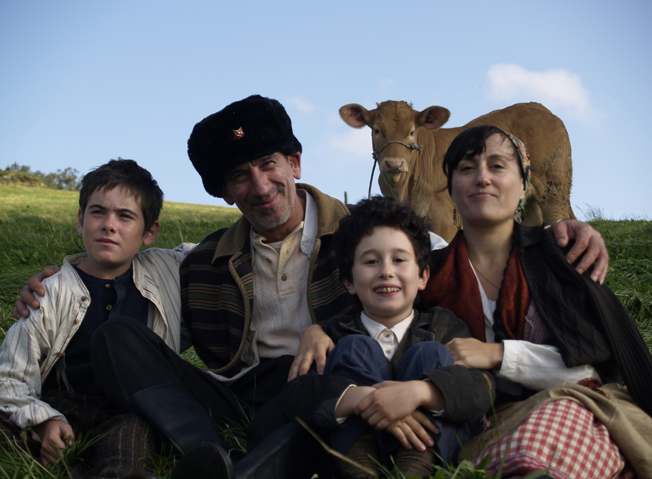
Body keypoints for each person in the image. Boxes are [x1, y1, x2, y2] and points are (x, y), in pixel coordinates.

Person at [11, 96, 612, 478]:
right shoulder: (201, 261)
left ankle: (237, 468)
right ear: (225, 192)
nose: (259, 186)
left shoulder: (365, 236)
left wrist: (560, 232)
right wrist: (64, 274)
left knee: (316, 404)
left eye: (268, 165)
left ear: (294, 164)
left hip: (330, 386)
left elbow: (446, 256)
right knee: (119, 339)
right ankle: (204, 447)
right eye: (239, 176)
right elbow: (125, 256)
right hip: (235, 393)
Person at [421, 125, 652, 478]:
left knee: (554, 429)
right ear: (450, 188)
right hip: (475, 432)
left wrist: (497, 355)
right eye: (466, 168)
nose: (482, 178)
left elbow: (590, 371)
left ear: (524, 185)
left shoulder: (561, 256)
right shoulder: (426, 273)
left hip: (571, 409)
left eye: (497, 166)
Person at [0, 159, 193, 479]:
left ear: (150, 232)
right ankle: (60, 451)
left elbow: (225, 247)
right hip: (59, 404)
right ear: (80, 220)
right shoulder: (51, 290)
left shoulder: (166, 270)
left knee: (131, 437)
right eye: (98, 212)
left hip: (127, 411)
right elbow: (10, 376)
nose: (109, 225)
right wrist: (45, 421)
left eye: (125, 216)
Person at [280, 196, 495, 478]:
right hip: (350, 456)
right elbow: (296, 393)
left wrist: (421, 393)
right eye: (371, 261)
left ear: (423, 276)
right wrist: (358, 398)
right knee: (354, 348)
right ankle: (360, 471)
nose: (386, 271)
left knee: (431, 353)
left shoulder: (443, 325)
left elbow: (482, 387)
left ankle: (413, 470)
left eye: (399, 259)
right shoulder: (333, 334)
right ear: (349, 281)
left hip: (431, 457)